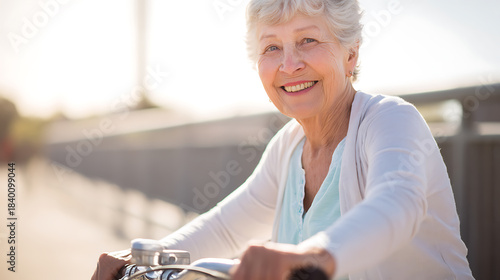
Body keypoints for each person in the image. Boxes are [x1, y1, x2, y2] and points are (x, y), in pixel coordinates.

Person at [92, 0, 474, 279]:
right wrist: (144, 258)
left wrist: (311, 256)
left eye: (308, 40)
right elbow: (224, 228)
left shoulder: (391, 120)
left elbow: (396, 205)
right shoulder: (288, 147)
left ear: (350, 54)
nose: (289, 65)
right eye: (272, 47)